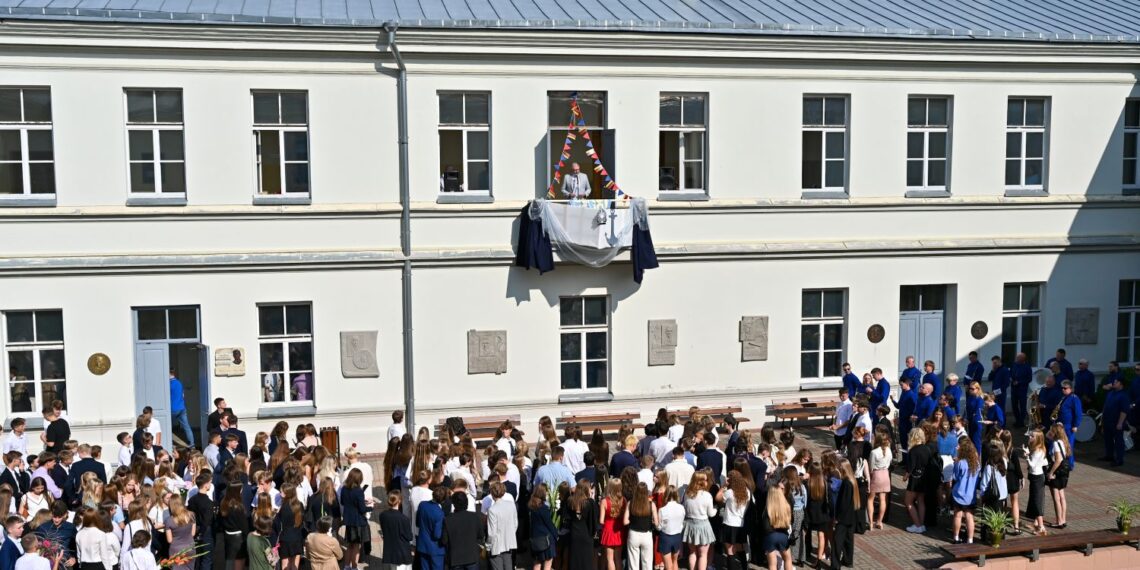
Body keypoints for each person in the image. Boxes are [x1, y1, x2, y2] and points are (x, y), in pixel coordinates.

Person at [682, 472, 715, 570]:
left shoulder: (687, 493)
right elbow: (711, 514)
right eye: (705, 479)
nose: (706, 481)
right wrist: (717, 509)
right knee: (703, 555)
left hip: (690, 524)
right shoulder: (707, 495)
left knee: (692, 552)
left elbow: (684, 508)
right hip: (703, 526)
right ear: (701, 481)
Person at [949, 438, 980, 544]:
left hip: (959, 493)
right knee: (969, 516)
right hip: (970, 495)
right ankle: (970, 539)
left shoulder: (960, 463)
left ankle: (956, 537)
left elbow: (955, 477)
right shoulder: (976, 463)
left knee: (957, 515)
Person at [440, 493, 483, 570]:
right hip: (472, 557)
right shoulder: (475, 517)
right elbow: (481, 535)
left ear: (454, 504)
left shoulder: (448, 519)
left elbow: (444, 540)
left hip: (455, 559)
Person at [830, 458, 859, 569]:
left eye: (838, 467)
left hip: (843, 518)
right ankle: (848, 560)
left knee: (837, 542)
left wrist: (837, 518)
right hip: (851, 517)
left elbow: (844, 503)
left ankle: (835, 565)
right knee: (848, 540)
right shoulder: (852, 480)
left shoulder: (846, 483)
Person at [716, 471, 748, 568]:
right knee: (740, 548)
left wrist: (723, 486)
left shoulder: (729, 492)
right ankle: (744, 567)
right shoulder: (747, 491)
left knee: (730, 551)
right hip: (740, 524)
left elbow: (717, 498)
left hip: (729, 524)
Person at [903, 428, 932, 534]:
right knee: (921, 501)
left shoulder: (913, 450)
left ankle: (917, 524)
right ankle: (922, 524)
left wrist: (905, 476)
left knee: (908, 502)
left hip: (915, 479)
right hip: (924, 478)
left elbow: (910, 467)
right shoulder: (927, 448)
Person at [623, 482, 657, 570]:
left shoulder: (631, 503)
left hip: (633, 534)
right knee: (647, 563)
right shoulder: (651, 504)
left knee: (633, 564)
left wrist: (634, 521)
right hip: (647, 534)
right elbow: (657, 523)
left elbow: (625, 522)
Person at [565, 481, 598, 570]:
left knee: (574, 560)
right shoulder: (590, 503)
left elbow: (567, 518)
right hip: (586, 535)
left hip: (574, 534)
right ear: (586, 489)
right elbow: (594, 521)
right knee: (586, 561)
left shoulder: (570, 501)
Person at [485, 482, 517, 570]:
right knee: (508, 566)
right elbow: (515, 524)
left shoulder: (492, 510)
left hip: (496, 545)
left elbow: (492, 533)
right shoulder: (511, 505)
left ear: (491, 493)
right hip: (509, 542)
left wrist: (487, 546)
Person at [1100, 374, 1129, 466]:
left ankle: (1119, 459)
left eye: (1116, 382)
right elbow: (1105, 407)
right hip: (1107, 420)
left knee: (1118, 441)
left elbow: (1124, 410)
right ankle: (1109, 455)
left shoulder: (1123, 396)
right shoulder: (1111, 393)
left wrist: (1120, 423)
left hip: (1116, 421)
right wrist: (1102, 419)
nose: (1114, 383)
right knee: (1107, 439)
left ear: (1121, 384)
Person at [1045, 424, 1071, 529]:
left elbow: (1058, 460)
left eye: (1051, 430)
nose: (1049, 432)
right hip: (1064, 472)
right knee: (1062, 497)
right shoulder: (1063, 441)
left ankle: (1059, 521)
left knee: (1056, 498)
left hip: (1057, 472)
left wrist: (1051, 472)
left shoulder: (1056, 443)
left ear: (1055, 432)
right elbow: (1047, 436)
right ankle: (1063, 519)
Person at [1024, 430, 1048, 535]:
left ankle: (1041, 527)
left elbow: (1033, 465)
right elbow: (1043, 462)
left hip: (1037, 477)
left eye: (1032, 436)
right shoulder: (1038, 449)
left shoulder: (1038, 450)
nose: (1030, 437)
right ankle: (1036, 523)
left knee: (1037, 501)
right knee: (1035, 500)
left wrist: (1026, 456)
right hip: (1035, 476)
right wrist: (1029, 453)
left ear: (1037, 438)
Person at [163, 496, 196, 570]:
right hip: (190, 547)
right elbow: (193, 533)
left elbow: (169, 540)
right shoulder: (191, 515)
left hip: (176, 550)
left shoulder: (169, 521)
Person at [867, 431, 891, 530]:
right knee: (882, 499)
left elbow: (871, 466)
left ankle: (870, 522)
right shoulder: (888, 450)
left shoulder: (874, 452)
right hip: (885, 474)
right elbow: (889, 463)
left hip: (876, 474)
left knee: (870, 499)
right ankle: (879, 521)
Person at [1056, 381, 1082, 469]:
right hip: (1062, 425)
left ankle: (1070, 465)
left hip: (1069, 426)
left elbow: (1078, 413)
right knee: (1062, 444)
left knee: (1069, 445)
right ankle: (1063, 462)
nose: (1063, 389)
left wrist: (1076, 425)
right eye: (1062, 388)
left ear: (1071, 388)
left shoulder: (1074, 398)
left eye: (1065, 388)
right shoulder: (1064, 398)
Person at [168, 370, 195, 449]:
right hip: (182, 408)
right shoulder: (179, 383)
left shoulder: (168, 384)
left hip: (173, 409)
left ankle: (170, 444)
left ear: (168, 374)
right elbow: (183, 395)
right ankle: (192, 444)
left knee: (168, 426)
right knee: (186, 426)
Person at [892, 379, 917, 450]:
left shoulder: (912, 395)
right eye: (900, 385)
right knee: (902, 440)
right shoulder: (903, 393)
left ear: (907, 384)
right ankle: (904, 459)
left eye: (902, 385)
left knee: (908, 440)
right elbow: (898, 406)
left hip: (907, 421)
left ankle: (908, 458)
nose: (901, 387)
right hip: (902, 420)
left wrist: (906, 417)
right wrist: (893, 400)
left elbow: (913, 410)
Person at [1010, 352, 1033, 428]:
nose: (1016, 359)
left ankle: (1021, 421)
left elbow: (1029, 379)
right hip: (1014, 389)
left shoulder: (1027, 367)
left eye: (1017, 358)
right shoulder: (1014, 365)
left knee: (1022, 406)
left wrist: (1019, 382)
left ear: (1022, 359)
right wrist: (1011, 379)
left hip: (1022, 389)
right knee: (1014, 405)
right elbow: (1010, 374)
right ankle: (1017, 420)